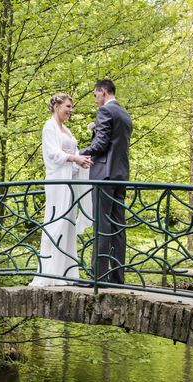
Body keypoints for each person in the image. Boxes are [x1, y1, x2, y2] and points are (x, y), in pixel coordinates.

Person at [29, 93, 93, 287]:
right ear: (56, 106)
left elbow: (69, 153)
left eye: (71, 107)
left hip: (70, 180)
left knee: (68, 224)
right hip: (58, 182)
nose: (70, 110)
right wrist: (73, 158)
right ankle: (50, 273)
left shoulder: (66, 130)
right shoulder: (49, 128)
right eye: (67, 106)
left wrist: (78, 160)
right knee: (56, 222)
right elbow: (53, 153)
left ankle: (68, 273)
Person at [80, 79, 133, 284]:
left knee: (102, 225)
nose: (95, 99)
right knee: (118, 226)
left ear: (103, 91)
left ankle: (98, 277)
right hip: (121, 176)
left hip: (104, 175)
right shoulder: (125, 114)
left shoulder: (105, 112)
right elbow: (114, 143)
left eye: (95, 95)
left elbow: (101, 144)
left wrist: (78, 153)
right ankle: (117, 277)